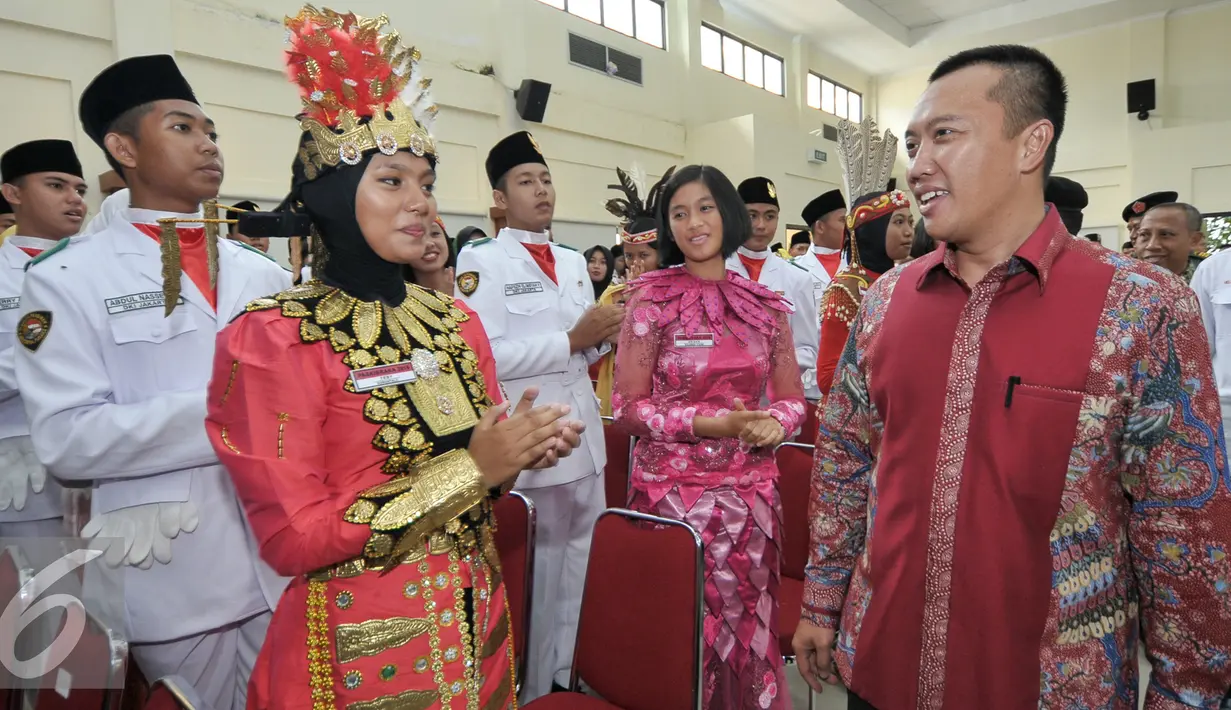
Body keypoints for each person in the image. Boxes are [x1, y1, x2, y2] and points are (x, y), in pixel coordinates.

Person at [793, 44, 1231, 710]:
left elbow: (1182, 531)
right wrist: (821, 601)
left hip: (1049, 686)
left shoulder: (1142, 308)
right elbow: (844, 462)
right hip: (880, 665)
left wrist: (1185, 693)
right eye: (913, 143)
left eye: (945, 135)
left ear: (1031, 144)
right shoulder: (883, 301)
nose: (918, 165)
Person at [205, 11, 586, 707]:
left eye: (427, 182)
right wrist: (477, 466)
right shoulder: (271, 338)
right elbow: (291, 539)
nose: (421, 204)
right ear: (332, 198)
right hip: (358, 650)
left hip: (477, 620)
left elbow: (479, 466)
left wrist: (517, 449)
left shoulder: (451, 320)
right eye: (391, 181)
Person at [13, 54, 292, 709]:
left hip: (277, 549)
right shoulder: (68, 278)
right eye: (183, 128)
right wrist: (226, 413)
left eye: (212, 132)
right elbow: (66, 440)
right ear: (123, 148)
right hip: (173, 557)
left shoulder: (263, 276)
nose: (208, 145)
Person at [613, 164, 805, 709]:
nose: (693, 222)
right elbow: (625, 408)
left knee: (748, 629)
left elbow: (793, 400)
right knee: (676, 631)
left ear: (729, 213)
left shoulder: (763, 307)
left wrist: (777, 423)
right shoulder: (649, 302)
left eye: (705, 208)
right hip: (670, 501)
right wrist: (705, 424)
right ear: (667, 227)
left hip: (751, 503)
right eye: (679, 213)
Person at [455, 130, 619, 700]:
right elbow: (485, 353)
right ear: (499, 198)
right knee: (541, 573)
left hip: (586, 435)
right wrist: (572, 338)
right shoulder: (481, 262)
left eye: (546, 179)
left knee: (584, 560)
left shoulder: (574, 260)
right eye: (526, 181)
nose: (542, 189)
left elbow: (583, 348)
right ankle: (533, 689)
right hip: (537, 439)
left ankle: (568, 674)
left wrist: (603, 338)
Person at [0, 139, 86, 538]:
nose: (74, 199)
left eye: (80, 190)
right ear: (12, 194)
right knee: (43, 596)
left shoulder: (103, 268)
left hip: (108, 468)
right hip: (20, 467)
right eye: (56, 186)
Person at [814, 121, 913, 401]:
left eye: (910, 222)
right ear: (873, 231)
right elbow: (826, 376)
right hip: (859, 423)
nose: (908, 232)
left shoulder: (905, 279)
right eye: (898, 222)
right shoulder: (845, 291)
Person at [594, 165, 674, 416]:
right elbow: (608, 338)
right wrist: (631, 298)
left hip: (663, 394)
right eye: (629, 256)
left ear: (661, 254)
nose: (634, 263)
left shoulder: (677, 292)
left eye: (644, 255)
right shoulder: (612, 295)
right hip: (618, 385)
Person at [730, 176, 819, 400]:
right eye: (752, 216)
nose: (761, 225)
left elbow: (808, 349)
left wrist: (767, 369)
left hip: (774, 405)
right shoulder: (715, 273)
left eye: (770, 216)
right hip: (721, 402)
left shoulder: (797, 279)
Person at [1136, 201, 1205, 283]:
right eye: (1144, 234)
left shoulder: (1208, 283)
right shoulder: (1121, 282)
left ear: (1194, 240)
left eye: (1165, 234)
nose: (1151, 245)